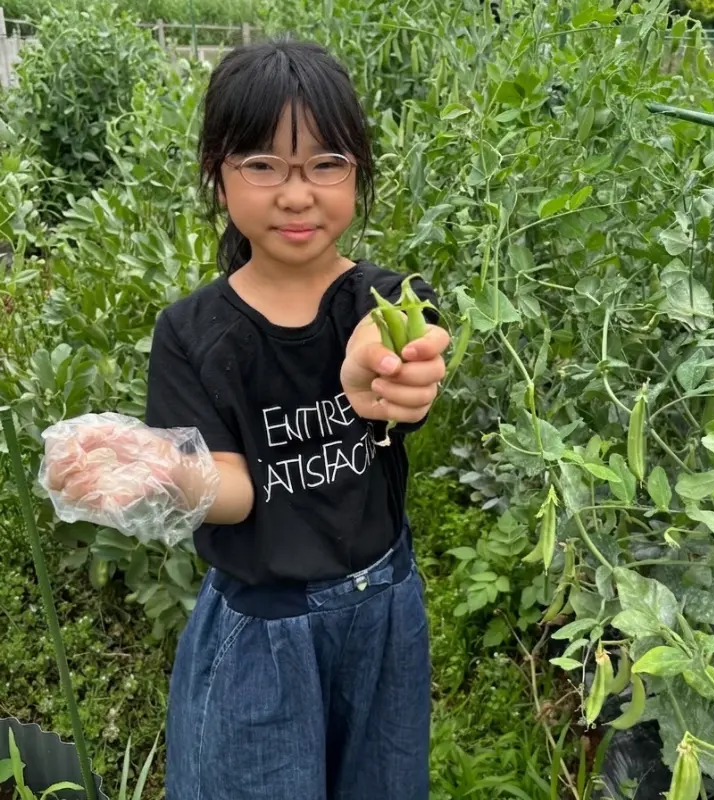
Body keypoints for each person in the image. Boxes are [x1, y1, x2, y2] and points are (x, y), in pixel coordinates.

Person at [43, 37, 450, 800]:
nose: (296, 194)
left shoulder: (386, 299)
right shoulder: (194, 332)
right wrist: (157, 467)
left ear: (357, 171)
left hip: (386, 613)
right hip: (262, 632)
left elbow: (413, 349)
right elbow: (233, 488)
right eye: (262, 165)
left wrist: (393, 370)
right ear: (217, 175)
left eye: (325, 163)